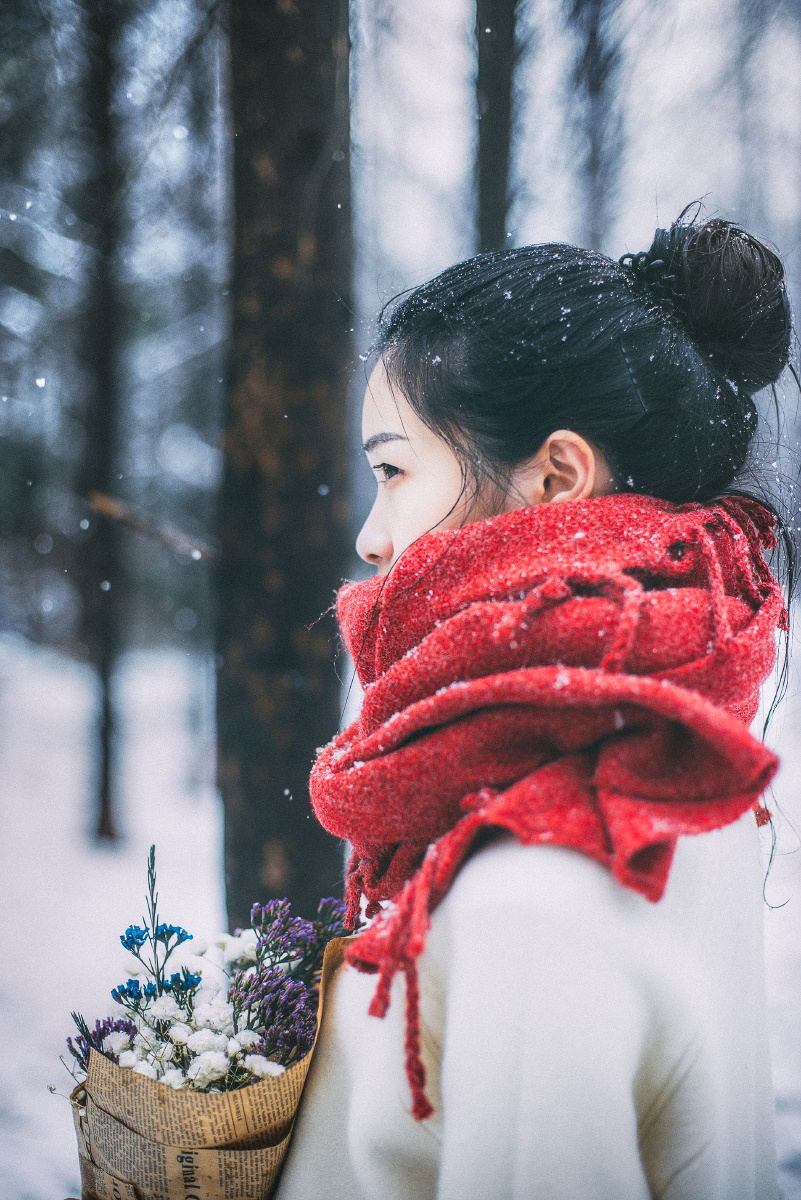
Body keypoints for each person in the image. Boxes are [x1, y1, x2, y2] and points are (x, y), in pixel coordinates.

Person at [275, 209, 792, 1200]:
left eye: (392, 471)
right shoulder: (671, 755)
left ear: (556, 476)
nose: (371, 537)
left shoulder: (533, 895)